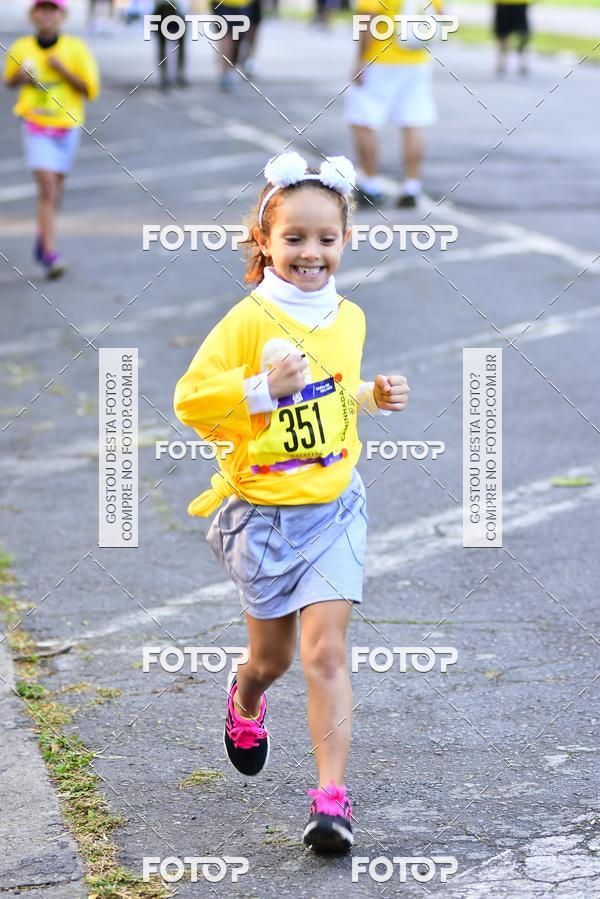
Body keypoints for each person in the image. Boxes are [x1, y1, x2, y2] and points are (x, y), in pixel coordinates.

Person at [174, 152, 410, 852]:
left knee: (325, 652)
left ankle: (331, 800)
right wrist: (257, 390)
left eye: (326, 238)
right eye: (295, 238)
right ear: (265, 240)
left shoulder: (351, 317)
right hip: (264, 514)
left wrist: (372, 398)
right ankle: (245, 697)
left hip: (334, 504)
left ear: (345, 240)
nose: (312, 252)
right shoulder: (248, 319)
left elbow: (333, 397)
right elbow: (191, 398)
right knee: (271, 658)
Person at [3, 0, 100, 278]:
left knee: (55, 192)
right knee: (46, 188)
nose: (47, 15)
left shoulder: (75, 49)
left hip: (67, 126)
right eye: (41, 10)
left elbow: (90, 90)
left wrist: (62, 70)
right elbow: (8, 81)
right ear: (33, 15)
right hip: (35, 124)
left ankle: (42, 239)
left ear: (61, 16)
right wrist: (20, 77)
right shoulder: (22, 48)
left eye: (52, 10)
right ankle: (50, 254)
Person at [345, 0, 443, 208]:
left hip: (381, 58)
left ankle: (370, 183)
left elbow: (368, 18)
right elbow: (438, 14)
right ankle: (412, 185)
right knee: (413, 122)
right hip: (416, 58)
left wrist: (360, 60)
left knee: (363, 119)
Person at [211, 0, 253, 91]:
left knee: (237, 40)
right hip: (223, 4)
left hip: (243, 4)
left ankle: (229, 68)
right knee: (226, 37)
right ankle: (225, 73)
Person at [153, 0, 188, 90]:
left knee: (162, 46)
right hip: (169, 11)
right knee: (165, 46)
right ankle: (176, 75)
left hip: (172, 11)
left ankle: (168, 76)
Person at [493, 0, 532, 76]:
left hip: (520, 3)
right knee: (502, 33)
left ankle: (523, 59)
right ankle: (502, 62)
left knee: (523, 33)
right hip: (502, 3)